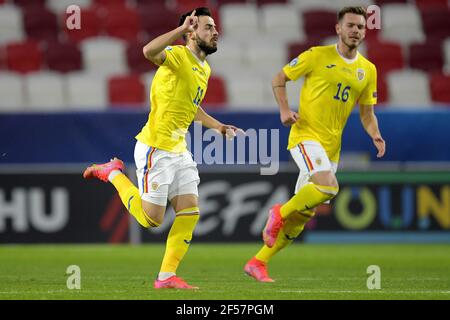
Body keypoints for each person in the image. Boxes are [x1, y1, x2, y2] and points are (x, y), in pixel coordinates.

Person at [84, 7, 241, 289]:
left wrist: (218, 126)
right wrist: (181, 31)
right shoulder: (178, 56)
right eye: (207, 27)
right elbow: (147, 51)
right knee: (151, 220)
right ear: (191, 32)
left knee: (190, 210)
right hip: (155, 147)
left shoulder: (204, 68)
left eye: (214, 26)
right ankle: (112, 174)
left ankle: (166, 276)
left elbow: (192, 108)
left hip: (179, 150)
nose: (215, 31)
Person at [244, 6, 386, 282]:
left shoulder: (368, 71)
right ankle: (278, 211)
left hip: (332, 147)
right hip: (305, 136)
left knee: (302, 216)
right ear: (338, 29)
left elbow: (367, 113)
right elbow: (279, 79)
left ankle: (258, 262)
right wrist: (284, 111)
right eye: (351, 25)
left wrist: (375, 134)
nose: (356, 30)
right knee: (328, 185)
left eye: (360, 26)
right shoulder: (317, 55)